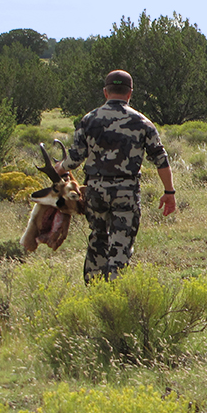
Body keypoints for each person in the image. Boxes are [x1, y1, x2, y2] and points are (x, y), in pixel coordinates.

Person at [55, 69, 176, 283]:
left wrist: (60, 168)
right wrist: (169, 192)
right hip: (126, 192)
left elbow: (74, 159)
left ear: (105, 92)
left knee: (97, 239)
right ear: (130, 93)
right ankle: (115, 292)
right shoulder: (142, 122)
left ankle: (95, 290)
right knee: (121, 242)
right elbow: (160, 158)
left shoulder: (89, 120)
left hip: (95, 191)